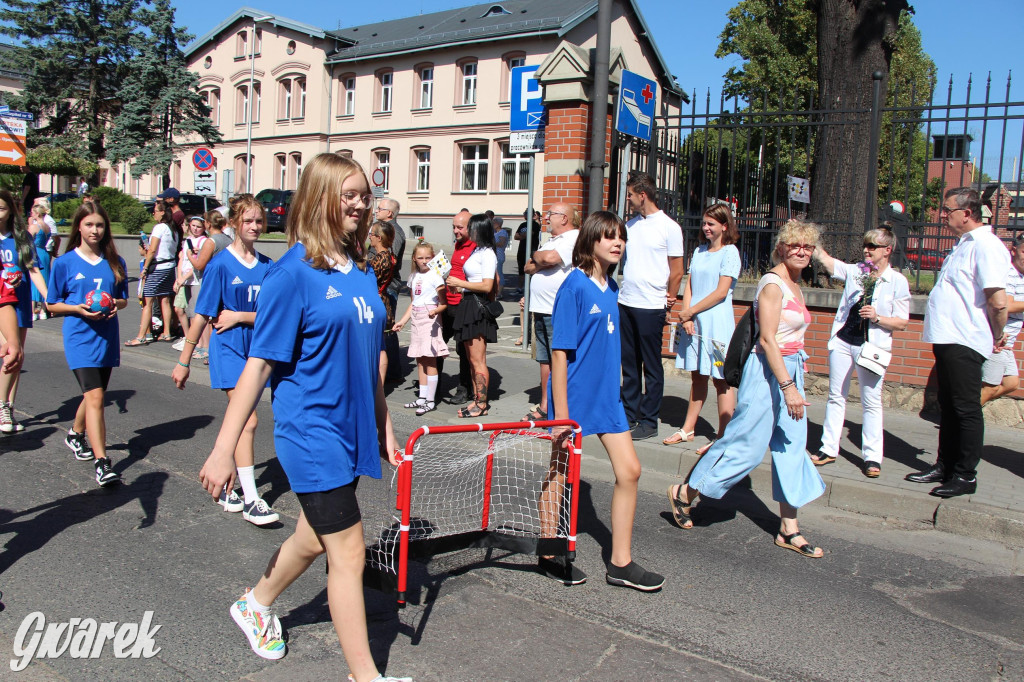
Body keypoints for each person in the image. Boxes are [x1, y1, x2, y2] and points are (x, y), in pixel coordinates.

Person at [198, 153, 410, 681]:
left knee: (316, 537)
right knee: (349, 551)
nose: (361, 204)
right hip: (310, 431)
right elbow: (258, 366)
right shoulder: (291, 274)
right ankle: (366, 677)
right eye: (350, 195)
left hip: (351, 428)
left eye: (365, 193)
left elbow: (368, 358)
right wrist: (224, 449)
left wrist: (382, 420)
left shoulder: (360, 269)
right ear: (319, 199)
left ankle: (256, 602)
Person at [666, 220, 826, 558]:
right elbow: (767, 340)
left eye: (807, 247)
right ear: (781, 248)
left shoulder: (795, 284)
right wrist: (788, 387)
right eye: (794, 245)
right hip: (767, 372)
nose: (801, 251)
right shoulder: (772, 284)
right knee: (747, 447)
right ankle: (686, 491)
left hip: (790, 368)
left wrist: (796, 375)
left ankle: (789, 528)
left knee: (792, 447)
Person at [543, 210, 665, 591]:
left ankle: (620, 563)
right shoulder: (574, 287)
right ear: (591, 241)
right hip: (574, 400)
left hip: (607, 400)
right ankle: (549, 552)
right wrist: (561, 416)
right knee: (562, 474)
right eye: (610, 237)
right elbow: (559, 354)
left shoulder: (612, 288)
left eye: (622, 238)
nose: (618, 243)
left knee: (630, 471)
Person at [172, 194, 278, 525]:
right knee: (248, 420)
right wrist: (185, 360)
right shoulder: (220, 264)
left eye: (259, 221)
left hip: (257, 353)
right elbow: (202, 315)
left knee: (241, 420)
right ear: (233, 223)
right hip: (228, 350)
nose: (255, 227)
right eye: (248, 221)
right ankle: (251, 498)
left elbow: (274, 316)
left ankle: (226, 476)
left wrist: (240, 316)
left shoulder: (268, 266)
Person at [906, 188, 1009, 498]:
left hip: (966, 338)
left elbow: (998, 301)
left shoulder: (986, 245)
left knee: (965, 408)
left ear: (967, 213)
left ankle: (965, 475)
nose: (942, 214)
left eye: (947, 210)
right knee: (949, 406)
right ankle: (945, 465)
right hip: (948, 337)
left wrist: (997, 333)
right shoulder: (963, 244)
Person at [810, 227, 910, 477]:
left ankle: (872, 457)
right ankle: (828, 448)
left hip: (872, 347)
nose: (866, 250)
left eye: (872, 246)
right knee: (836, 395)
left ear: (887, 250)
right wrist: (808, 238)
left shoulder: (897, 281)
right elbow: (828, 261)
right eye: (865, 245)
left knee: (871, 401)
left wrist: (877, 318)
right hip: (844, 341)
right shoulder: (857, 271)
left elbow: (902, 322)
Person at [45, 200, 128, 486]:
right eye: (89, 224)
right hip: (79, 336)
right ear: (78, 226)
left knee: (95, 394)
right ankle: (102, 462)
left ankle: (75, 434)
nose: (95, 230)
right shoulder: (65, 263)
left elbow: (124, 298)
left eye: (100, 225)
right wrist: (78, 308)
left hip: (106, 336)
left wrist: (116, 302)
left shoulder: (115, 262)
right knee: (96, 398)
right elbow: (52, 304)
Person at [663, 203, 741, 455]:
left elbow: (721, 292)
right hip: (694, 324)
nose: (706, 228)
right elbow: (691, 286)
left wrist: (690, 311)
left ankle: (724, 435)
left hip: (716, 327)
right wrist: (685, 316)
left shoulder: (730, 253)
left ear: (724, 226)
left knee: (721, 379)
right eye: (705, 223)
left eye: (712, 224)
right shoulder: (698, 251)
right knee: (697, 376)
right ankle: (688, 428)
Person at [618, 171, 684, 440]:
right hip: (627, 301)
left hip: (651, 305)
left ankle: (649, 420)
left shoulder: (669, 227)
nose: (629, 200)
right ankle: (629, 413)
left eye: (631, 195)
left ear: (642, 195)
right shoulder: (630, 226)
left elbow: (677, 269)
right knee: (629, 364)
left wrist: (670, 296)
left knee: (651, 366)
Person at [522, 202, 579, 422]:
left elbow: (550, 259)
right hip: (540, 308)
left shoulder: (573, 238)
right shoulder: (551, 241)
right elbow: (528, 267)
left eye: (551, 214)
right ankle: (546, 405)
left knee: (559, 360)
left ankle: (560, 407)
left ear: (564, 218)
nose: (546, 218)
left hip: (557, 310)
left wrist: (539, 257)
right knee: (544, 360)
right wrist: (541, 257)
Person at [0, 189, 48, 434]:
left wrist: (50, 298)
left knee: (17, 357)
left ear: (11, 210)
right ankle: (2, 406)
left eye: (2, 208)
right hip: (0, 305)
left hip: (18, 305)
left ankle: (8, 406)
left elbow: (33, 270)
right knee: (11, 351)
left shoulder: (22, 238)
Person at [446, 213, 498, 418]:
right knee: (471, 359)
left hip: (477, 307)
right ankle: (477, 400)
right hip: (468, 303)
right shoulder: (478, 250)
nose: (468, 231)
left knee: (477, 360)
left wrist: (461, 284)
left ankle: (481, 404)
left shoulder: (487, 253)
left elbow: (487, 285)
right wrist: (462, 289)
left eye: (471, 227)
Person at [392, 242, 448, 415]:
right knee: (420, 359)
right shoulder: (413, 276)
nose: (424, 261)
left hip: (430, 321)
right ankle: (422, 397)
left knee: (430, 360)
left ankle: (430, 401)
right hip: (417, 319)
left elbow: (444, 303)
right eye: (420, 258)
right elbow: (413, 303)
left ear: (433, 258)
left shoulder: (436, 277)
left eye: (428, 257)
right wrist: (402, 321)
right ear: (414, 259)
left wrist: (435, 310)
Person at [127, 200, 181, 346]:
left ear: (163, 212)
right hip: (170, 266)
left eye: (155, 211)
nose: (153, 214)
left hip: (157, 267)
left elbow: (152, 249)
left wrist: (145, 267)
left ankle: (142, 336)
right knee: (165, 300)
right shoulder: (173, 229)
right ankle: (167, 332)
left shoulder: (159, 228)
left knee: (147, 302)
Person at [981, 234, 1024, 404]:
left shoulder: (1020, 276)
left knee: (1011, 383)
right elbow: (1008, 306)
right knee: (989, 386)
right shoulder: (1009, 274)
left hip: (1009, 342)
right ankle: (961, 418)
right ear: (1014, 251)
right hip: (999, 339)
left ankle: (966, 411)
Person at [439, 210, 477, 404]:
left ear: (470, 228)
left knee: (464, 350)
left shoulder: (478, 248)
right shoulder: (458, 244)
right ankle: (434, 385)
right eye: (453, 226)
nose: (455, 231)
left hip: (464, 304)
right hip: (448, 303)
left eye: (459, 227)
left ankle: (465, 389)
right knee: (438, 343)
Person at [375, 198, 405, 382]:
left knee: (388, 330)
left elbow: (388, 260)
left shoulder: (393, 231)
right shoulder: (383, 228)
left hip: (387, 287)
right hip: (383, 287)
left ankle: (393, 372)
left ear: (390, 214)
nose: (376, 211)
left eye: (380, 209)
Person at [172, 215, 210, 358]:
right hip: (186, 280)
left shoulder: (203, 241)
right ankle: (197, 343)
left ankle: (204, 345)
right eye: (193, 225)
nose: (195, 229)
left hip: (196, 280)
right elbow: (182, 260)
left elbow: (197, 264)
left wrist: (183, 278)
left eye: (198, 226)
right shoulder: (187, 241)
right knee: (190, 314)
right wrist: (179, 278)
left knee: (199, 314)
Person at [368, 220, 397, 385]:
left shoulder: (382, 258)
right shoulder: (386, 255)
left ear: (379, 238)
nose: (370, 237)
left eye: (372, 234)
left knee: (379, 346)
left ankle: (379, 384)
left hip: (377, 301)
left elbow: (368, 279)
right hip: (381, 299)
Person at [27, 203, 53, 321]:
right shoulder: (47, 226)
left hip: (35, 252)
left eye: (32, 212)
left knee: (34, 280)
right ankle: (43, 310)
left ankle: (32, 311)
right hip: (44, 253)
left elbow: (27, 240)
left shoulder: (34, 226)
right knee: (45, 280)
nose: (31, 214)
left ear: (37, 213)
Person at [515, 209, 542, 292]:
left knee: (531, 269)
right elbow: (516, 236)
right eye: (524, 213)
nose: (525, 215)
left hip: (531, 250)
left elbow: (530, 234)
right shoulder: (522, 224)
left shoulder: (535, 225)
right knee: (521, 269)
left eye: (526, 213)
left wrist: (523, 235)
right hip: (521, 250)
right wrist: (523, 235)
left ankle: (530, 289)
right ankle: (519, 288)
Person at [493, 215, 508, 291]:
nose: (492, 224)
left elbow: (501, 243)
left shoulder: (503, 232)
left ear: (498, 224)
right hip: (494, 255)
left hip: (499, 255)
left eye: (494, 223)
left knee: (499, 273)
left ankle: (500, 291)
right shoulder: (494, 232)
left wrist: (491, 244)